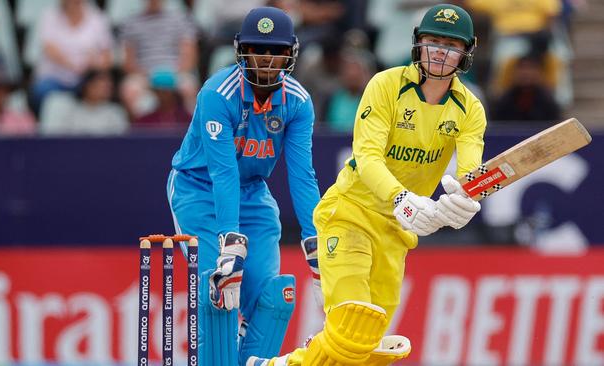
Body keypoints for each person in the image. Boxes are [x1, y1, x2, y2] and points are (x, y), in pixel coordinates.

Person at [247, 4, 486, 366]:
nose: (440, 51)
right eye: (433, 41)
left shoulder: (470, 109)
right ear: (417, 43)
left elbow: (469, 176)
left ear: (466, 52)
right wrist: (403, 198)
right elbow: (368, 156)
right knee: (351, 324)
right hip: (351, 215)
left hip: (394, 232)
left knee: (368, 346)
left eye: (451, 44)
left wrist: (462, 204)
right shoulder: (386, 85)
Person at [166, 7, 321, 366]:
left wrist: (317, 247)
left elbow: (302, 175)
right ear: (242, 50)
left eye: (275, 51)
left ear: (290, 53)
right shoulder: (217, 94)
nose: (266, 59)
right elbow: (222, 173)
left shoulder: (297, 102)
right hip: (197, 190)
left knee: (273, 298)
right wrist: (229, 242)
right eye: (258, 49)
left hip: (253, 192)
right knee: (220, 287)